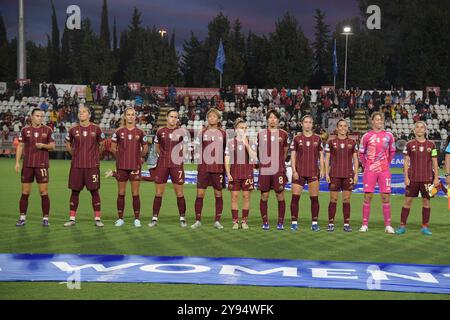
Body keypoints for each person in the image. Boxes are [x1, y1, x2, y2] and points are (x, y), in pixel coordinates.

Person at [64, 105, 105, 227]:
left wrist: (96, 156)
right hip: (77, 166)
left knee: (94, 191)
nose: (81, 114)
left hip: (92, 166)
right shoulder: (73, 129)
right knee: (75, 192)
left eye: (84, 112)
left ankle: (97, 218)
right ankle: (72, 218)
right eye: (79, 112)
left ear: (89, 114)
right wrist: (74, 154)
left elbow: (102, 144)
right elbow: (68, 143)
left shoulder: (96, 129)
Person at [396, 122, 439, 236]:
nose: (419, 129)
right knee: (407, 201)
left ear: (425, 130)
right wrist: (405, 177)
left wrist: (436, 179)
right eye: (417, 127)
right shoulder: (409, 144)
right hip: (413, 178)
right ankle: (402, 226)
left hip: (428, 178)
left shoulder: (432, 145)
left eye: (422, 127)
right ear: (414, 130)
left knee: (426, 202)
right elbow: (406, 162)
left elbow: (435, 162)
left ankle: (425, 227)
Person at [108, 107, 148, 227]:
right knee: (121, 192)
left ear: (135, 117)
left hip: (135, 166)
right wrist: (120, 157)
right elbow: (112, 148)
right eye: (128, 114)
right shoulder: (118, 132)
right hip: (121, 167)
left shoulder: (140, 132)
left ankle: (137, 219)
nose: (131, 116)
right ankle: (120, 218)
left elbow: (145, 148)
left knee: (135, 193)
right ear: (125, 117)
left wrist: (139, 157)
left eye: (133, 114)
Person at [14, 108, 55, 227]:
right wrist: (17, 162)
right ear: (31, 117)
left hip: (42, 165)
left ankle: (45, 218)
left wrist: (43, 145)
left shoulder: (47, 130)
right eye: (37, 116)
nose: (40, 118)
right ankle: (22, 218)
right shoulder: (25, 130)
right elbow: (20, 146)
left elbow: (52, 146)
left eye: (41, 116)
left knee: (43, 192)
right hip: (28, 165)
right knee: (25, 192)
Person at [358, 112, 396, 233]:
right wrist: (367, 165)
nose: (379, 122)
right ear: (372, 121)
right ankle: (364, 224)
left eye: (381, 120)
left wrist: (385, 164)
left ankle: (388, 225)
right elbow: (361, 153)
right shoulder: (366, 136)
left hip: (384, 171)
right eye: (377, 120)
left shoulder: (389, 135)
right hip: (370, 170)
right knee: (368, 196)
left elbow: (392, 152)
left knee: (385, 197)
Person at [150, 109, 187, 227]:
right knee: (159, 192)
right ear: (167, 117)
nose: (173, 119)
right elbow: (157, 147)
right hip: (163, 164)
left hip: (177, 165)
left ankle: (182, 218)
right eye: (171, 116)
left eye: (176, 117)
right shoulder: (160, 131)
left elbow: (184, 147)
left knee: (179, 192)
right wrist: (164, 157)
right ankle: (154, 218)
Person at [191, 108, 227, 229]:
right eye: (210, 116)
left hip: (218, 168)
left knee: (218, 194)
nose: (212, 118)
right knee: (200, 194)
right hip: (204, 168)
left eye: (214, 116)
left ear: (218, 119)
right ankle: (197, 220)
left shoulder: (223, 133)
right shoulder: (202, 133)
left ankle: (217, 221)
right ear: (207, 118)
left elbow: (226, 151)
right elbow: (196, 148)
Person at [290, 115, 325, 232]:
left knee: (314, 199)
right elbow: (293, 156)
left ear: (312, 124)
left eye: (310, 122)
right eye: (306, 122)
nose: (308, 124)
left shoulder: (318, 139)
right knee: (295, 198)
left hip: (313, 172)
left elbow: (321, 155)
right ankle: (294, 222)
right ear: (301, 123)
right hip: (299, 172)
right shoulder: (296, 139)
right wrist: (294, 171)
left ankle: (314, 223)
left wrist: (323, 169)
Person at [324, 119, 359, 232]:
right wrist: (326, 173)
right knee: (333, 199)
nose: (343, 128)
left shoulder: (352, 142)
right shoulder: (331, 142)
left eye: (345, 126)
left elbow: (355, 159)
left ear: (347, 128)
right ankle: (330, 223)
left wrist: (356, 174)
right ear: (337, 128)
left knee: (346, 199)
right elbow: (327, 158)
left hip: (348, 174)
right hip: (334, 174)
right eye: (341, 126)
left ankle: (346, 224)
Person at [257, 110, 289, 230]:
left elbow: (285, 152)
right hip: (265, 169)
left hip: (278, 170)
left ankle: (280, 223)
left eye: (275, 118)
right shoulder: (261, 134)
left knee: (280, 195)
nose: (272, 120)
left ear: (278, 120)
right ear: (267, 120)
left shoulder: (284, 134)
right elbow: (260, 151)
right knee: (264, 196)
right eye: (270, 118)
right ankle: (265, 222)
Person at [225, 118, 257, 230]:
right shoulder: (230, 142)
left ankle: (244, 221)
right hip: (234, 173)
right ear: (235, 129)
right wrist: (228, 173)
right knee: (234, 197)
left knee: (246, 197)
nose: (242, 130)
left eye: (244, 128)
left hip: (247, 173)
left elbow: (254, 158)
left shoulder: (251, 141)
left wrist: (246, 144)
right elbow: (227, 158)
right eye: (240, 128)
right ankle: (235, 221)